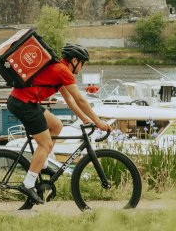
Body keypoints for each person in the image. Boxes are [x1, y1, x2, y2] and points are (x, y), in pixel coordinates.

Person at [6, 43, 111, 205]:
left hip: (25, 101)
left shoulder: (59, 69)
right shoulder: (63, 71)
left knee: (56, 125)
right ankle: (28, 184)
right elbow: (80, 99)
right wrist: (98, 121)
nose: (82, 67)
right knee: (46, 143)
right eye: (83, 63)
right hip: (23, 103)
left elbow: (69, 99)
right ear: (75, 61)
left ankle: (43, 163)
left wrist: (85, 119)